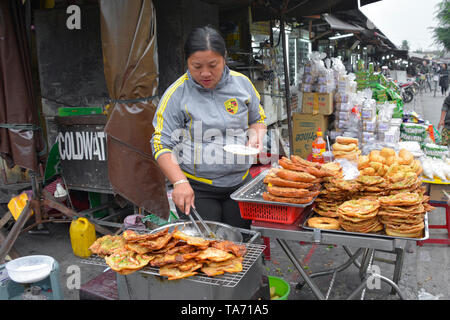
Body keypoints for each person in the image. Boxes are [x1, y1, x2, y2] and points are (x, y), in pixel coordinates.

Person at [150, 26, 267, 229]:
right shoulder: (176, 95)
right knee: (207, 252)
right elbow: (161, 143)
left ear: (224, 58)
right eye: (197, 66)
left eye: (213, 65)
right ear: (187, 62)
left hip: (240, 183)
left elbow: (258, 119)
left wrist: (256, 136)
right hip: (197, 190)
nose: (205, 73)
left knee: (243, 245)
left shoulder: (242, 85)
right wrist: (179, 182)